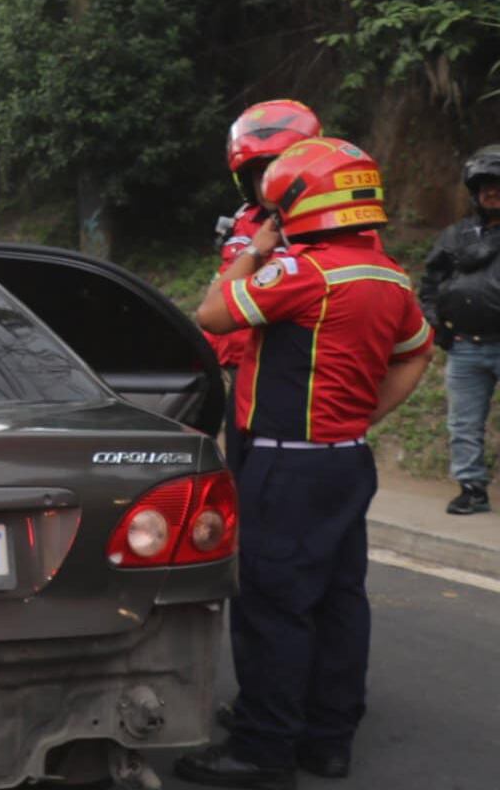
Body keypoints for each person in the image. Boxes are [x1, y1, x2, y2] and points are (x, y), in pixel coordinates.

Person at [176, 137, 433, 790]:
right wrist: (363, 418)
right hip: (347, 460)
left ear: (302, 202)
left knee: (273, 606)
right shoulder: (389, 275)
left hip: (286, 464)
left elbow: (211, 315)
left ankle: (264, 749)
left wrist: (255, 254)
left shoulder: (300, 273)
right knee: (341, 600)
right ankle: (328, 741)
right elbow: (416, 354)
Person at [210, 100, 323, 469]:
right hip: (238, 372)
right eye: (259, 173)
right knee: (239, 481)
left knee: (279, 484)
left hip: (290, 377)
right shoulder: (245, 222)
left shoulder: (323, 226)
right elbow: (219, 299)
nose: (269, 182)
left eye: (278, 170)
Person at [418, 145, 500, 516]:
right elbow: (430, 285)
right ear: (475, 192)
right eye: (485, 186)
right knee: (463, 422)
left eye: (498, 185)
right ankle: (471, 488)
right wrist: (437, 326)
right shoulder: (456, 236)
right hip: (466, 346)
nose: (492, 192)